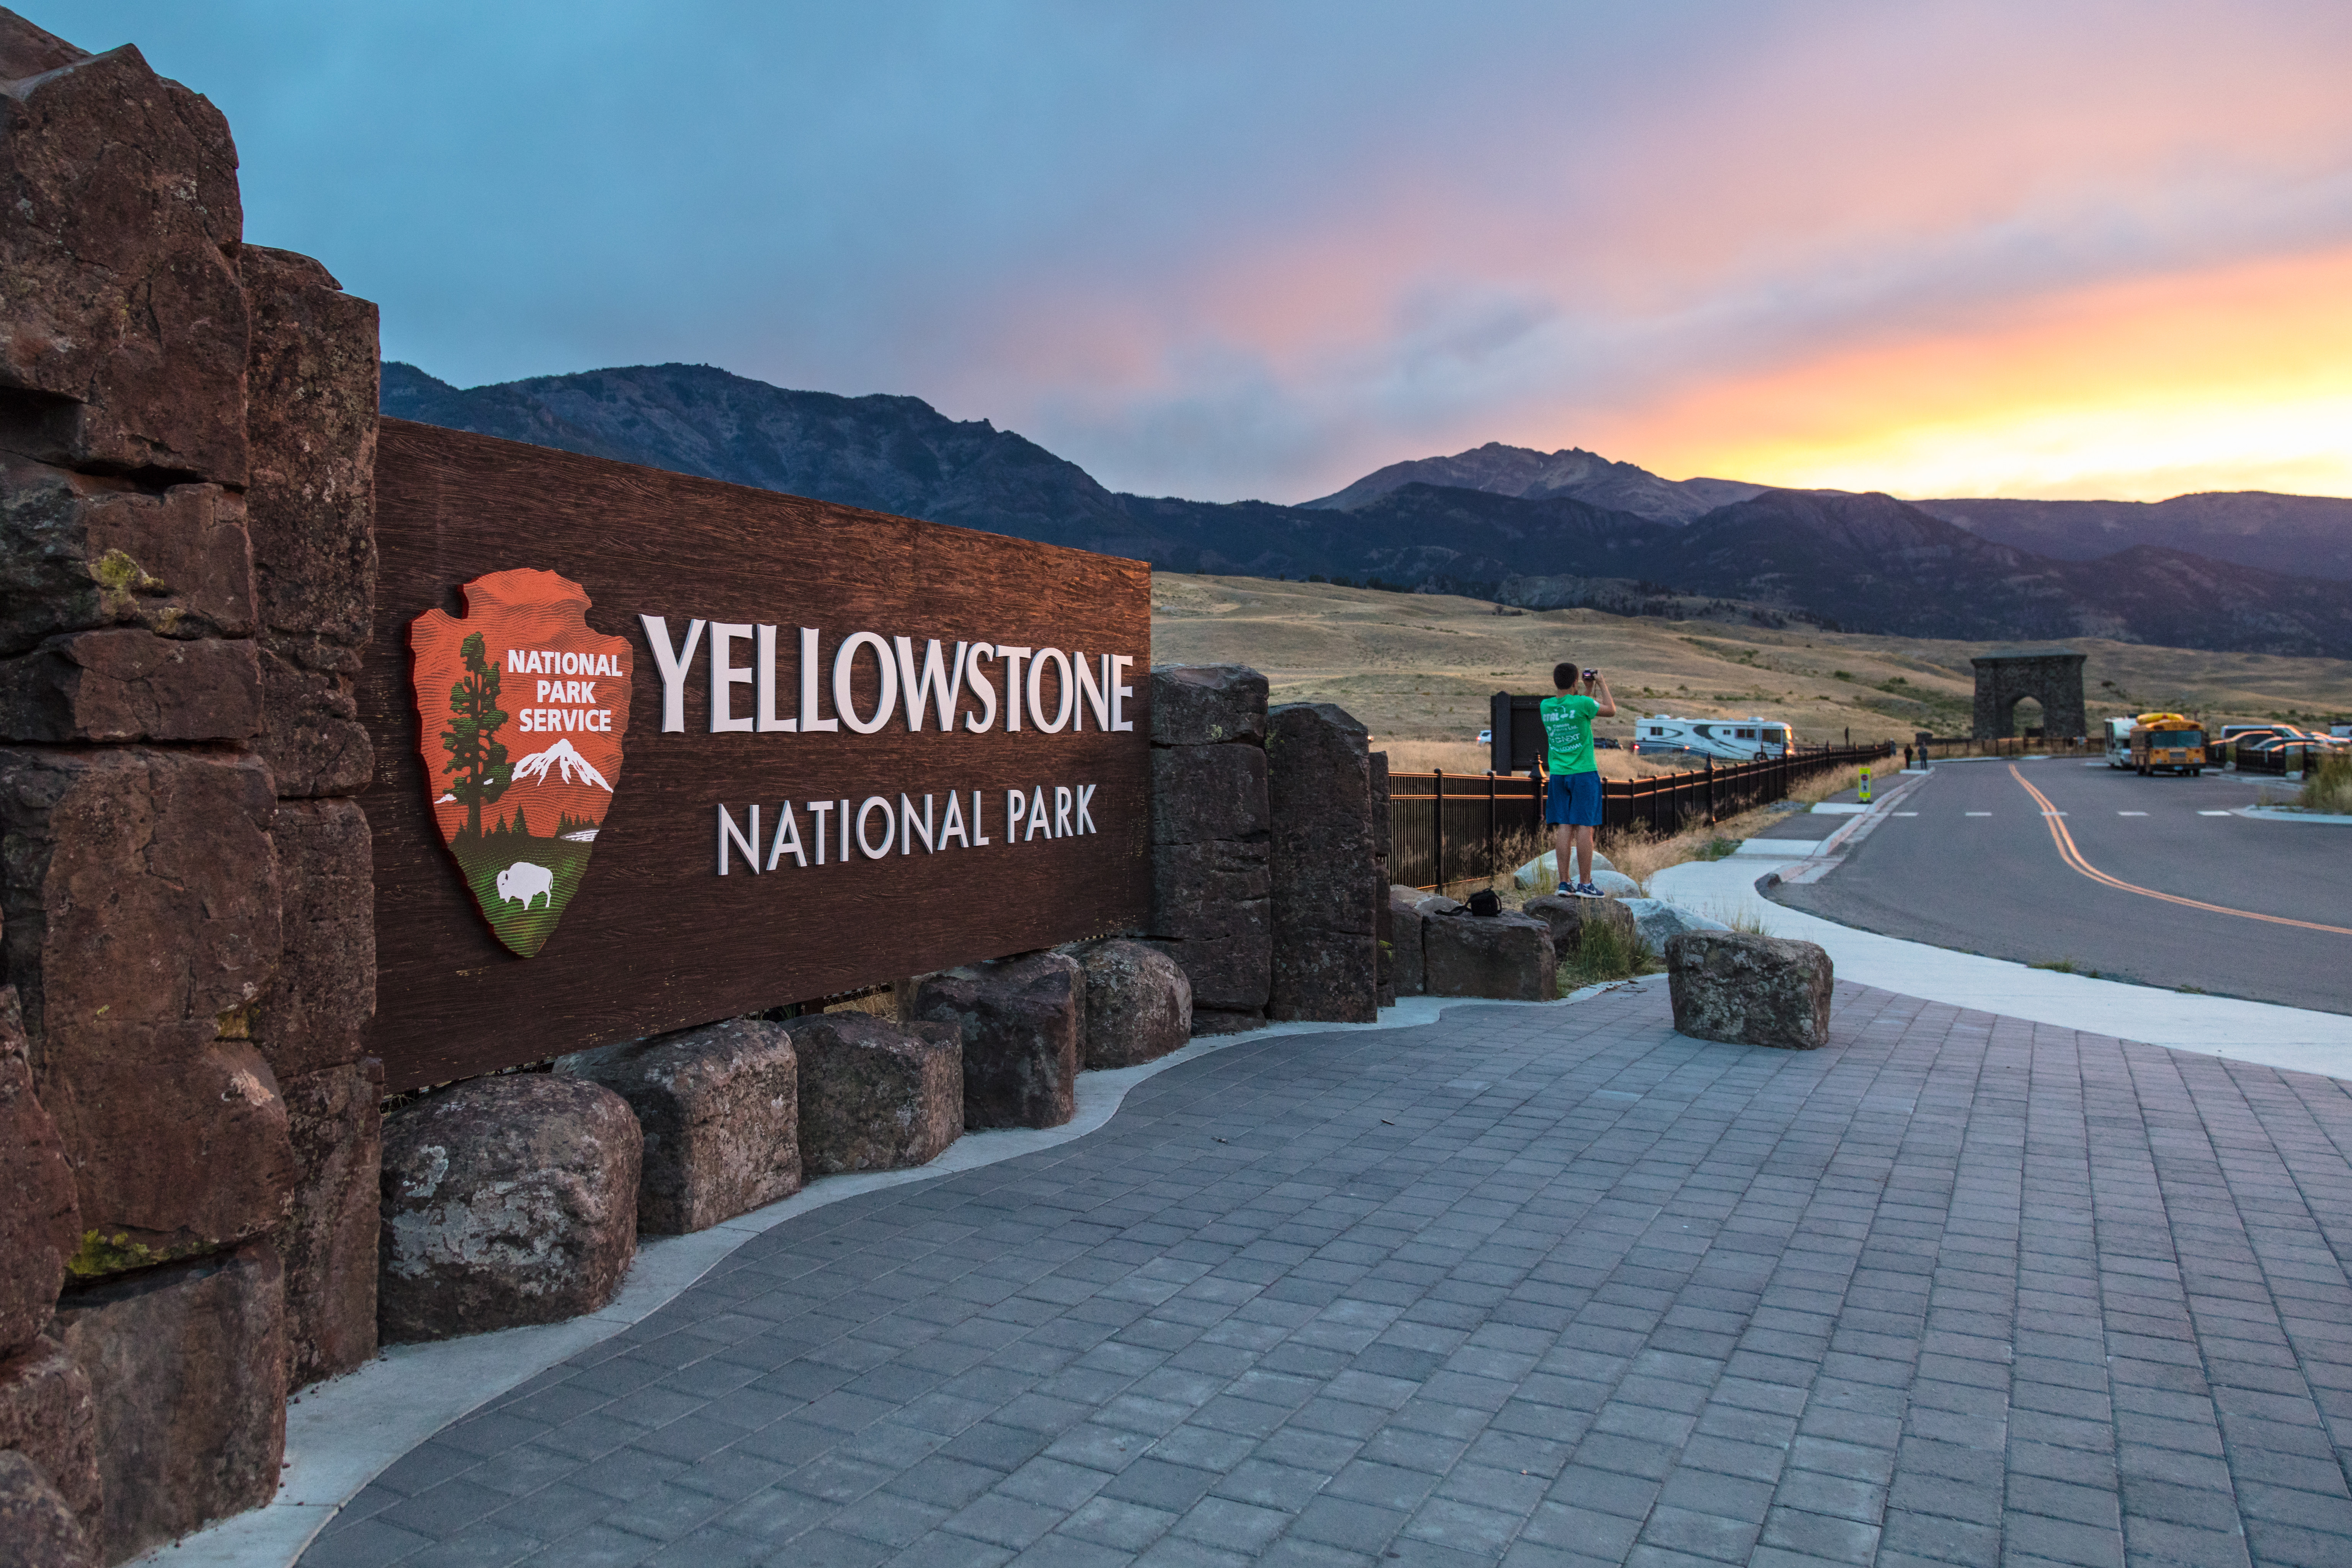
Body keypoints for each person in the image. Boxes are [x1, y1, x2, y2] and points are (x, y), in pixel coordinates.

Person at [1542, 662, 1616, 897]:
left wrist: (1585, 690)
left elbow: (1574, 708)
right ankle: (1585, 883)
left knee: (1565, 826)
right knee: (1585, 826)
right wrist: (1600, 683)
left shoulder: (1546, 706)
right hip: (1584, 773)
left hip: (1559, 774)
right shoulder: (1582, 703)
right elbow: (1610, 709)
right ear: (1575, 681)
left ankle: (1564, 883)